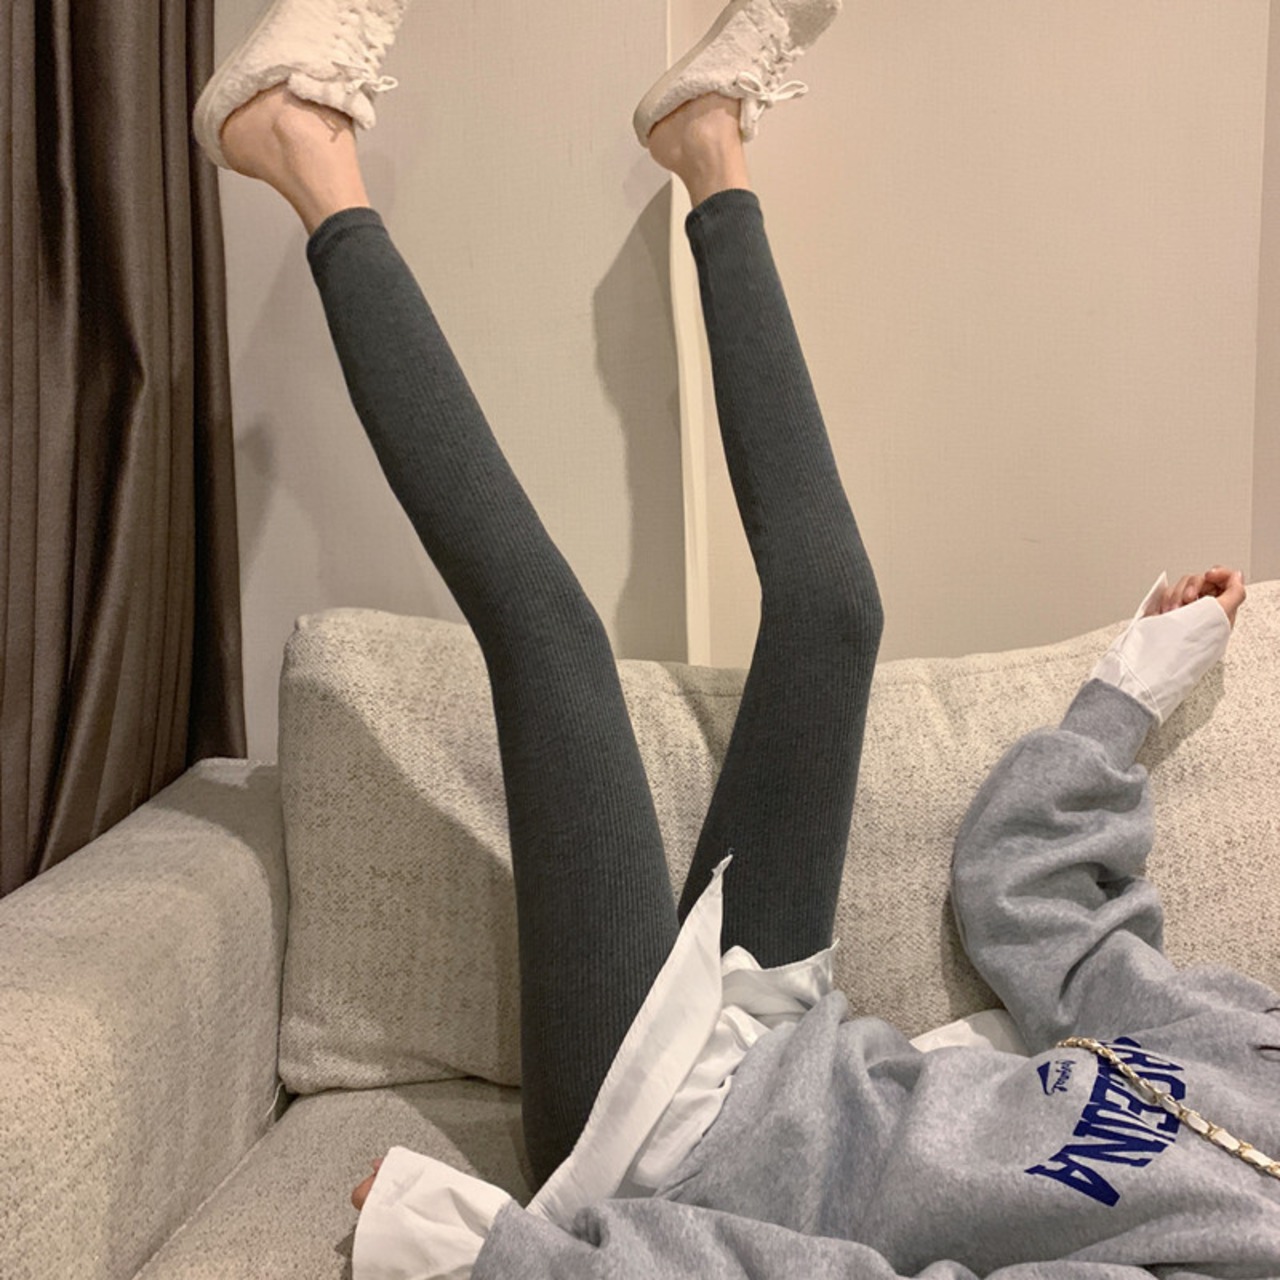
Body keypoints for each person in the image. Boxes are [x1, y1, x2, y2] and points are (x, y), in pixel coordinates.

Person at [194, 1, 1271, 1276]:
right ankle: (703, 140)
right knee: (832, 609)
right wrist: (1129, 690)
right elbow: (1030, 906)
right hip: (783, 1025)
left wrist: (497, 1252)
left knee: (555, 644)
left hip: (659, 1145)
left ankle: (300, 151)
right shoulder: (1248, 1045)